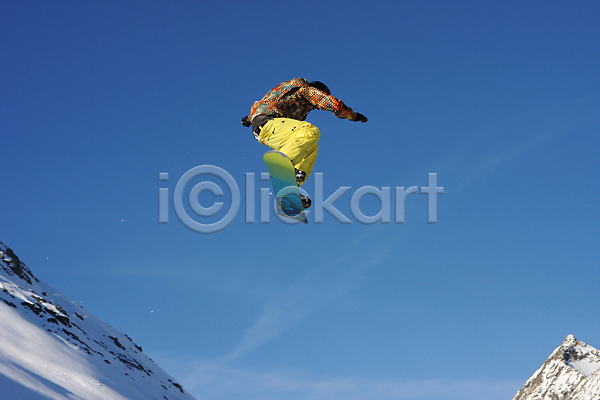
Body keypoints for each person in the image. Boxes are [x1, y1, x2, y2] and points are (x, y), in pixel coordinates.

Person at [241, 78, 368, 208]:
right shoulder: (306, 91)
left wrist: (249, 118)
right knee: (310, 131)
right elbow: (331, 103)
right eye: (314, 106)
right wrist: (353, 116)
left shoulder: (287, 95)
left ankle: (289, 191)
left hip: (267, 130)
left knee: (312, 147)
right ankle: (284, 170)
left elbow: (263, 102)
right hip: (269, 123)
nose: (314, 108)